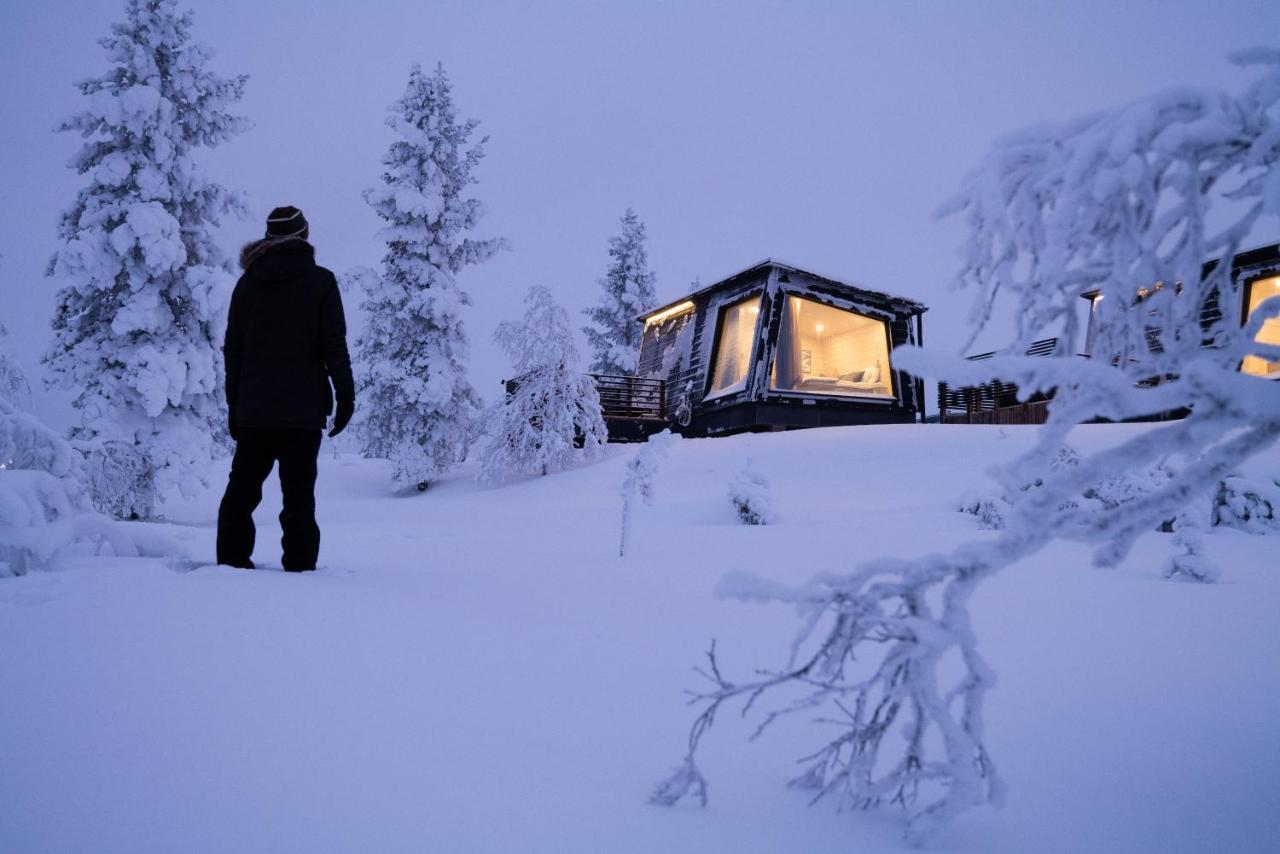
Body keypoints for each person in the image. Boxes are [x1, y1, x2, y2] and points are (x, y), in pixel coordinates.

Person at [216, 205, 355, 571]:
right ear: (304, 236)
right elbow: (334, 347)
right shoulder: (322, 282)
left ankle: (230, 566)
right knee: (299, 498)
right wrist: (345, 398)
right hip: (303, 412)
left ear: (269, 238)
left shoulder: (247, 284)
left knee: (241, 494)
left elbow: (234, 351)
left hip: (255, 411)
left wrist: (236, 405)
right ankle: (300, 569)